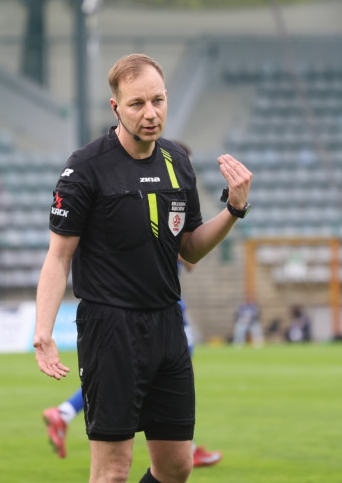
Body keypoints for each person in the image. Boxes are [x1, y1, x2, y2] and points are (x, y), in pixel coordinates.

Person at [34, 53, 252, 483]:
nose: (150, 114)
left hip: (167, 325)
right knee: (113, 471)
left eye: (158, 101)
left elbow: (189, 248)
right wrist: (43, 331)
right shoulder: (86, 167)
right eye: (137, 104)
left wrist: (234, 209)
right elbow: (58, 257)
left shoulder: (178, 162)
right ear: (116, 108)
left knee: (176, 467)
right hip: (110, 328)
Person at [42, 257, 222, 467]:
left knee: (147, 377)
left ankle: (64, 412)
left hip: (164, 308)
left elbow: (190, 257)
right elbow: (189, 259)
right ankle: (182, 447)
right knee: (158, 377)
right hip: (157, 309)